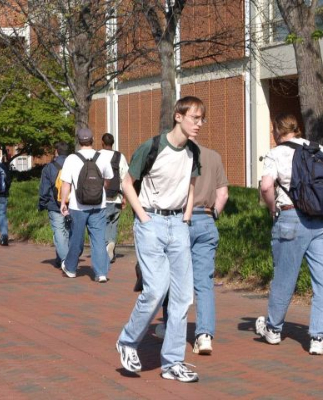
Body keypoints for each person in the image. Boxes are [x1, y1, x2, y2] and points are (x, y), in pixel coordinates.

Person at [116, 96, 202, 383]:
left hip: (178, 224)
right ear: (178, 116)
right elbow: (126, 182)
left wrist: (187, 218)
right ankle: (127, 341)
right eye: (194, 118)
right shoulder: (152, 147)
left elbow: (190, 186)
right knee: (155, 290)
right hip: (151, 221)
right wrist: (143, 216)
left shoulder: (193, 152)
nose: (199, 124)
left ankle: (173, 363)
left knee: (182, 297)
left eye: (201, 119)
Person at [257, 112, 323, 355]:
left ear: (277, 131)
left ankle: (274, 329)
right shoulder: (320, 150)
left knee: (285, 277)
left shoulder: (276, 153)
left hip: (290, 217)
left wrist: (272, 208)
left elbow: (266, 186)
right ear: (297, 129)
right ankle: (318, 338)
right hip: (321, 222)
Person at [152, 143, 229, 356]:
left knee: (173, 279)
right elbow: (223, 194)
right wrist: (213, 215)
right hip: (205, 218)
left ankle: (170, 328)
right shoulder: (213, 156)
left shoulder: (175, 155)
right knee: (204, 283)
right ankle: (204, 335)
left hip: (178, 219)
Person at [59, 128, 114, 282]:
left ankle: (70, 268)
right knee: (98, 239)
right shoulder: (101, 157)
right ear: (93, 139)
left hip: (78, 206)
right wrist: (100, 190)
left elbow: (66, 184)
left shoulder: (71, 158)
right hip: (99, 204)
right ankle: (101, 272)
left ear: (78, 140)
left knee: (76, 238)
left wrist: (64, 202)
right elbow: (108, 178)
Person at [38, 141, 71, 268]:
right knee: (67, 230)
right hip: (70, 203)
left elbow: (44, 189)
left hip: (54, 204)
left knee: (58, 230)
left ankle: (65, 259)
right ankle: (62, 257)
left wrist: (42, 203)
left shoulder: (49, 168)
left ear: (56, 151)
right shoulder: (73, 165)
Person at [100, 133, 129, 263]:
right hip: (116, 196)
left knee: (104, 222)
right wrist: (124, 197)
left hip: (101, 198)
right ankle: (112, 243)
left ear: (102, 142)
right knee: (114, 223)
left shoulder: (97, 156)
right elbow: (124, 177)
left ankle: (107, 246)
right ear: (113, 143)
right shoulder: (119, 156)